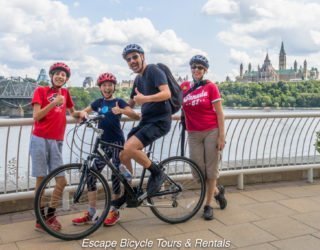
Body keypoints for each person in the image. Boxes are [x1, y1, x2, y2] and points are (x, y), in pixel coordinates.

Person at [71, 72, 139, 227]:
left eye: (110, 85)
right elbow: (85, 111)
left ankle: (115, 211)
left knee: (116, 176)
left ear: (114, 87)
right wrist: (82, 114)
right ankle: (91, 212)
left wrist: (122, 111)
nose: (107, 88)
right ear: (100, 88)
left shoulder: (119, 101)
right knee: (90, 172)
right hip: (102, 144)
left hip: (116, 143)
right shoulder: (98, 102)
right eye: (104, 85)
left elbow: (135, 116)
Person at [30, 62, 86, 231]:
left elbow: (71, 112)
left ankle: (50, 215)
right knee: (41, 179)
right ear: (51, 75)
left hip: (57, 141)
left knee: (61, 180)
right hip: (39, 139)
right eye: (57, 74)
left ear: (66, 79)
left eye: (63, 75)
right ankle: (40, 220)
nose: (60, 76)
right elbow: (36, 116)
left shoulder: (65, 93)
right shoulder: (41, 91)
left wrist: (81, 113)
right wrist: (55, 103)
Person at [120, 43, 172, 198]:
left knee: (130, 147)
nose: (132, 61)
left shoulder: (153, 70)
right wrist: (113, 110)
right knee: (124, 155)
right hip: (146, 122)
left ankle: (157, 174)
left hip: (160, 121)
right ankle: (129, 191)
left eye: (135, 57)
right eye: (128, 59)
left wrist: (145, 99)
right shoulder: (137, 79)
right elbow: (129, 105)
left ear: (143, 56)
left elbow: (167, 93)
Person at [180, 55, 227, 220]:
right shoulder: (185, 87)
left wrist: (222, 136)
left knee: (211, 169)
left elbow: (220, 113)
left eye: (200, 67)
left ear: (205, 70)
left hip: (211, 131)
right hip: (193, 133)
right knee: (197, 171)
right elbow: (172, 99)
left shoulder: (211, 87)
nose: (196, 70)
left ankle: (208, 205)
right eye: (193, 67)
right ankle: (217, 191)